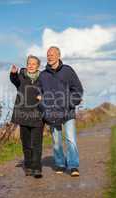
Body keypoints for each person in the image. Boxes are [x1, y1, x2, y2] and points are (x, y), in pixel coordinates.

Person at [38, 46, 83, 177]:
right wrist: (42, 104)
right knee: (56, 141)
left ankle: (73, 166)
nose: (50, 56)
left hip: (68, 111)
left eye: (52, 54)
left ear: (59, 55)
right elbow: (38, 92)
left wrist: (70, 103)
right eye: (48, 55)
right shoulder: (43, 75)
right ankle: (60, 164)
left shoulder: (68, 71)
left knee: (71, 139)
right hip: (52, 113)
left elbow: (78, 89)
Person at [10, 55, 44, 178]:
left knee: (37, 144)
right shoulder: (21, 76)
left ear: (38, 66)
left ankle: (37, 168)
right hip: (23, 115)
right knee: (26, 144)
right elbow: (14, 81)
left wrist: (43, 97)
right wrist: (13, 73)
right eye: (29, 63)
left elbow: (48, 91)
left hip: (37, 115)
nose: (30, 65)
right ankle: (29, 166)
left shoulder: (43, 78)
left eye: (33, 64)